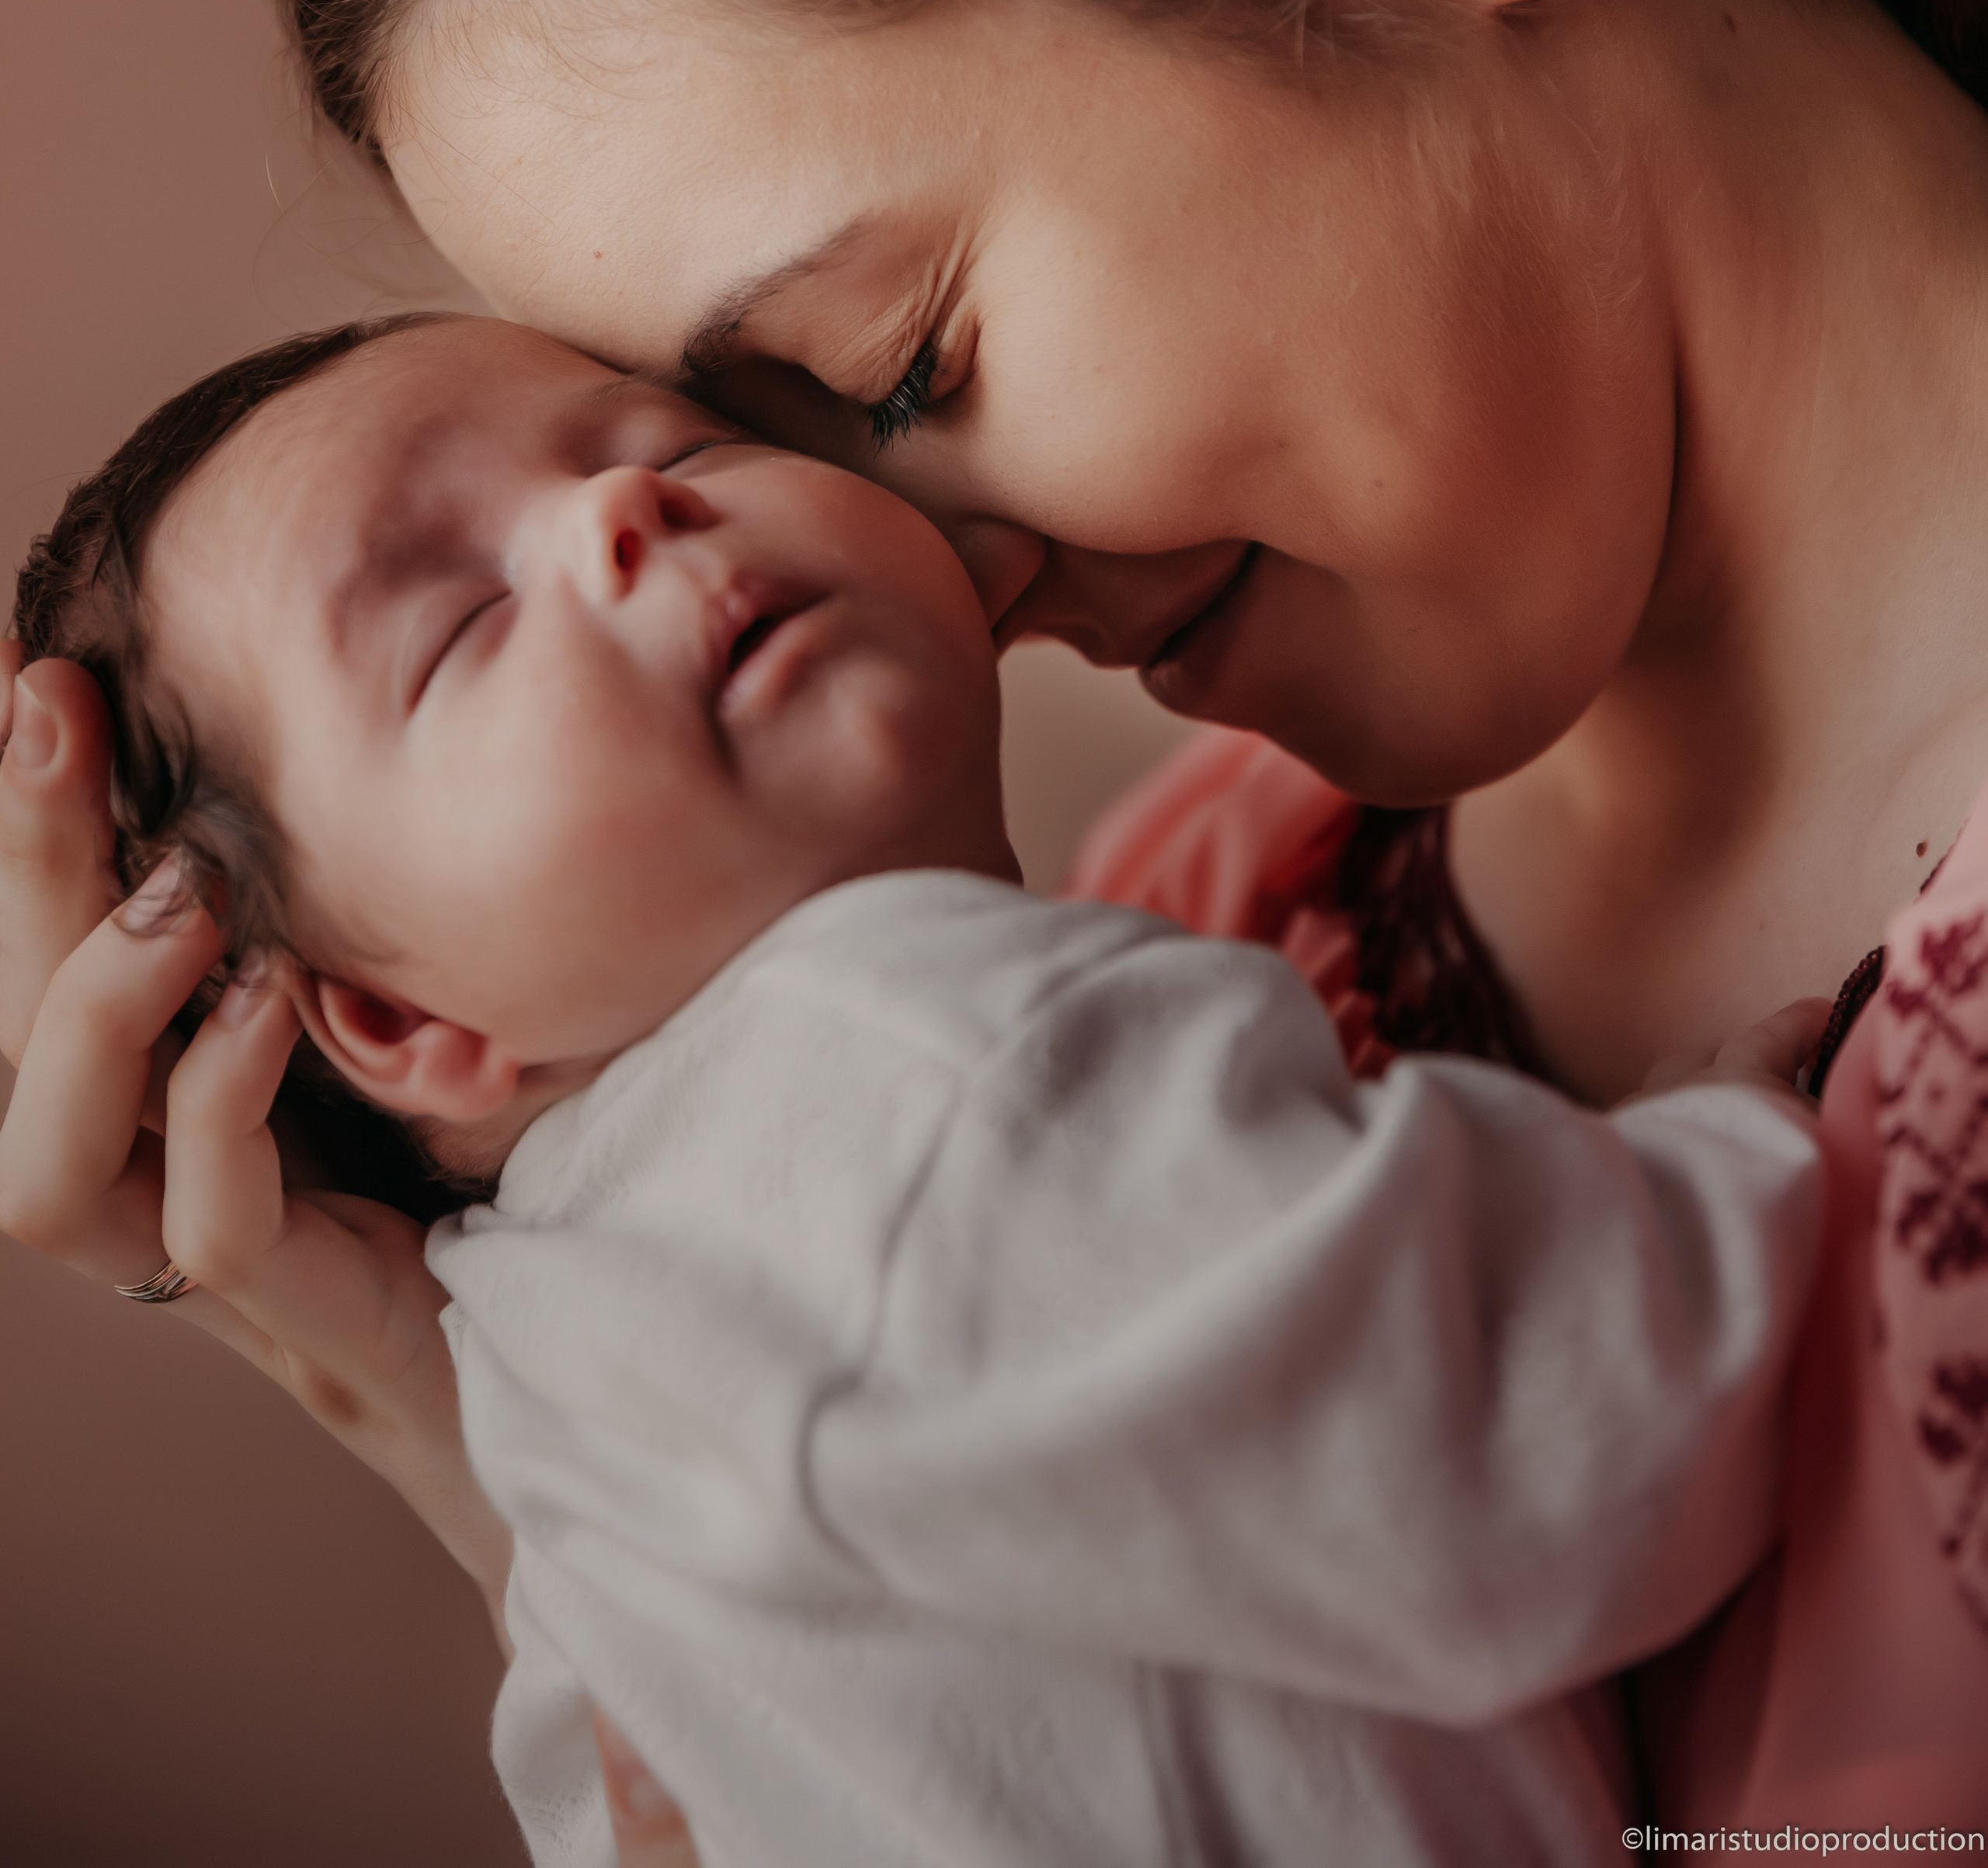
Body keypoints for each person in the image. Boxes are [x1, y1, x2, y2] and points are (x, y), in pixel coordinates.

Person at [6, 0, 1988, 1828]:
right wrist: (486, 1452)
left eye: (896, 362)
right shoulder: (1168, 937)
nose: (919, 555)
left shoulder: (1018, 1070)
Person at [10, 307, 1826, 1867]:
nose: (622, 511)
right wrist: (1727, 1158)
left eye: (677, 438)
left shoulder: (547, 1373)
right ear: (402, 1027)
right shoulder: (906, 1060)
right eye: (460, 627)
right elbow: (1522, 1446)